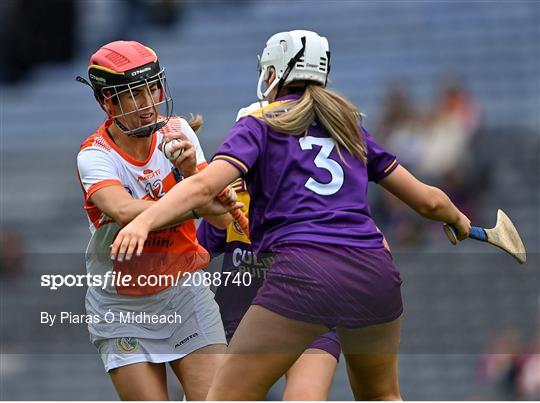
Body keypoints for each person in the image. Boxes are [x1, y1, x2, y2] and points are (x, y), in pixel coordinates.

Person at [110, 30, 472, 400]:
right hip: (374, 270)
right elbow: (429, 202)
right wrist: (460, 221)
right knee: (382, 396)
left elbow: (204, 189)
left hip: (305, 271)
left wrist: (143, 220)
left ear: (273, 73)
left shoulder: (258, 124)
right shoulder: (350, 127)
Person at [76, 40, 239, 400]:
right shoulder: (94, 155)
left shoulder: (179, 133)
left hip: (184, 293)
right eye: (134, 94)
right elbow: (122, 210)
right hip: (121, 306)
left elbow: (221, 217)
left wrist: (190, 173)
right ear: (108, 102)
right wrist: (196, 201)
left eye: (152, 88)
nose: (149, 102)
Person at [198, 171, 340, 400]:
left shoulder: (321, 187)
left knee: (305, 396)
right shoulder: (231, 189)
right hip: (237, 323)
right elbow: (199, 252)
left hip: (308, 317)